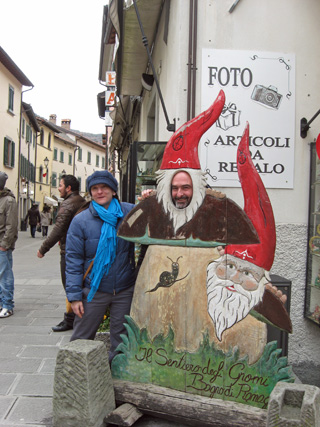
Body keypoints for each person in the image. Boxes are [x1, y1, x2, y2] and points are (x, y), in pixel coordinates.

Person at [65, 170, 136, 362]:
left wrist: (150, 199)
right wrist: (74, 297)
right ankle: (74, 378)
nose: (99, 192)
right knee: (81, 340)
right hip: (93, 290)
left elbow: (156, 216)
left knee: (122, 343)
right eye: (95, 188)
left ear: (113, 190)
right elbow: (73, 261)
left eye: (104, 187)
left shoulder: (130, 212)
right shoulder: (81, 221)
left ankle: (117, 382)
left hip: (124, 288)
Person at [37, 175, 85, 332]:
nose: (58, 188)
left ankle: (71, 320)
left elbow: (58, 229)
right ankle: (78, 317)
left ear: (68, 188)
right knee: (79, 283)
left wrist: (43, 248)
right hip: (80, 247)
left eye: (60, 185)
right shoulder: (81, 201)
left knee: (69, 284)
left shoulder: (67, 204)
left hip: (69, 250)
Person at [0, 172, 18, 318]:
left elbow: (11, 225)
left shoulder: (8, 201)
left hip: (2, 244)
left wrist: (4, 244)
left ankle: (7, 305)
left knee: (5, 275)